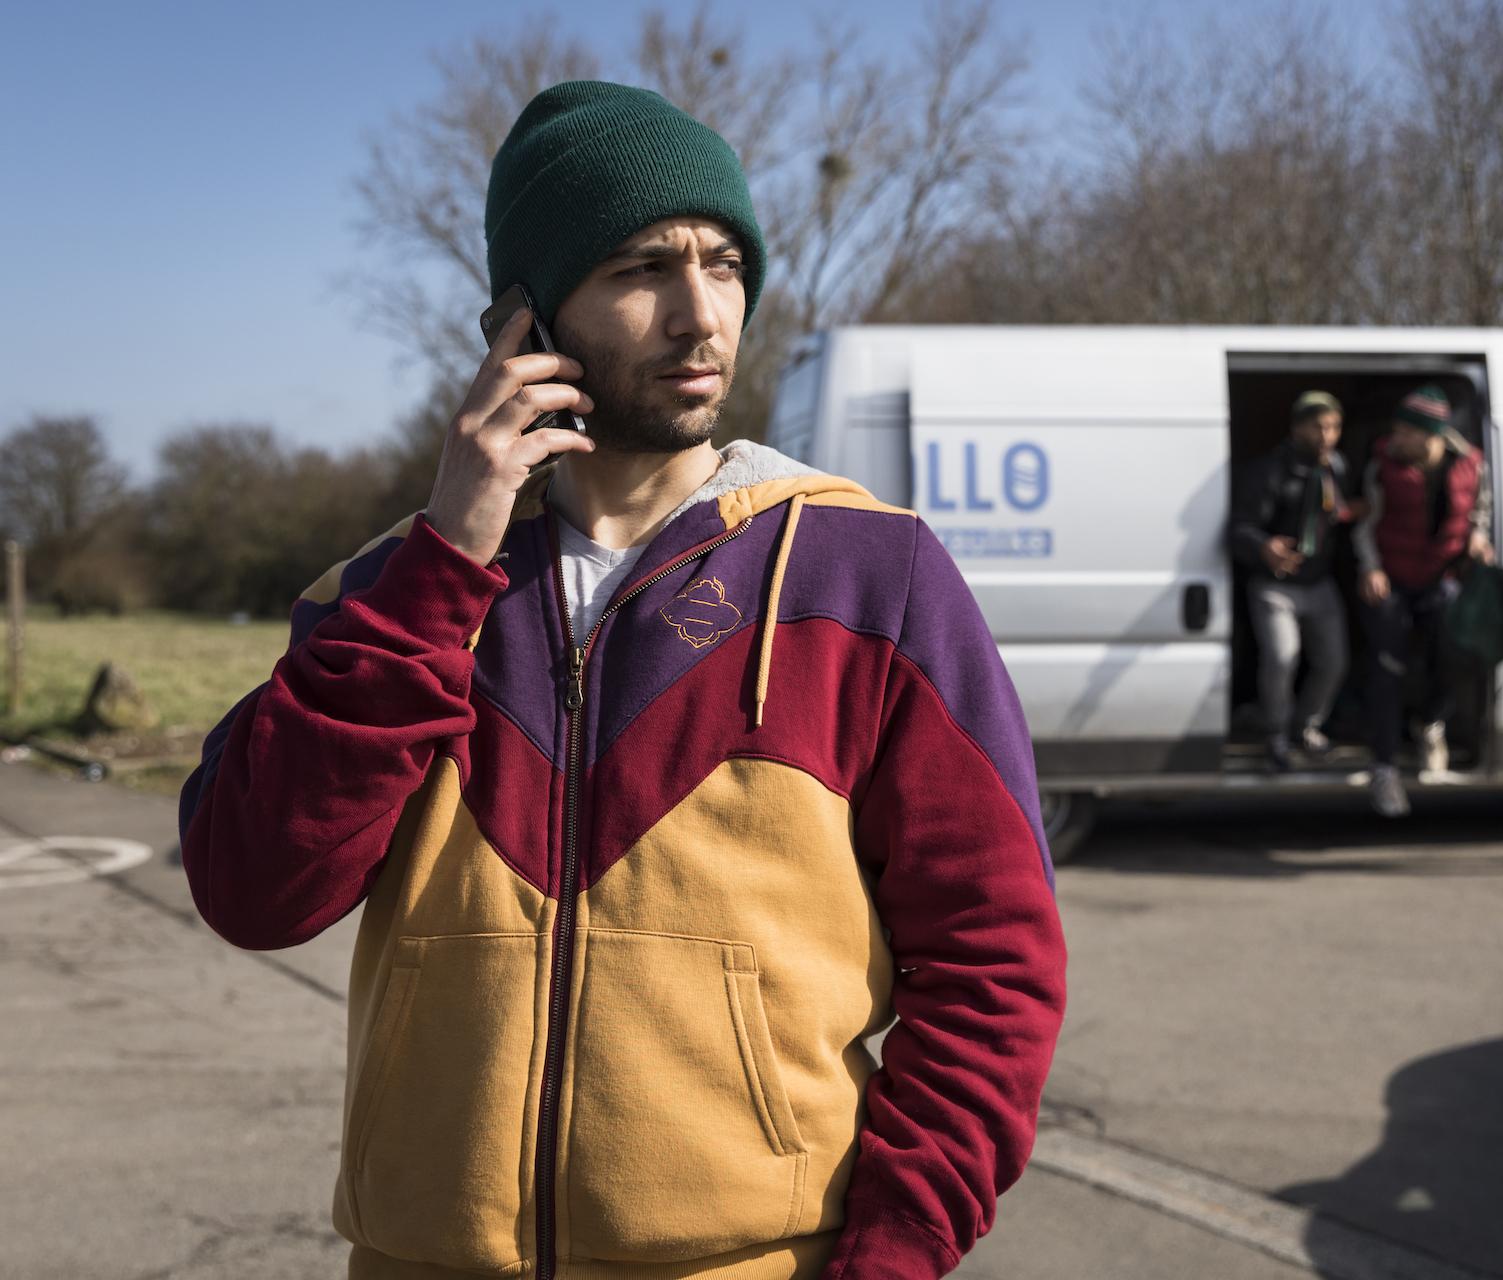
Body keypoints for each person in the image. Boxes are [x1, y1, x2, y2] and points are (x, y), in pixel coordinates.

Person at [178, 81, 1067, 1280]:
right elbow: (254, 887)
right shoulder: (387, 596)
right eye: (644, 266)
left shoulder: (871, 574)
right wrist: (446, 562)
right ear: (528, 321)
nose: (702, 317)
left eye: (725, 264)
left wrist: (894, 1254)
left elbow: (994, 962)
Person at [1351, 383, 1492, 817]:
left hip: (1441, 577)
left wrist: (1480, 536)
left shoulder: (1471, 466)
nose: (1397, 438)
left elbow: (1480, 509)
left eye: (1406, 432)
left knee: (1461, 655)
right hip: (1392, 578)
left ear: (1432, 435)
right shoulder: (1382, 466)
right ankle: (1384, 769)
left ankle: (1430, 721)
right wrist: (1370, 566)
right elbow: (1364, 524)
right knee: (1387, 668)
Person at [1229, 390, 1352, 768]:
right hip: (1275, 584)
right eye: (1318, 427)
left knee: (1333, 660)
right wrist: (1264, 546)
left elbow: (1337, 513)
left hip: (1319, 581)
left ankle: (1307, 726)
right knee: (1282, 657)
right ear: (1298, 428)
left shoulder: (1336, 468)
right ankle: (1275, 733)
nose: (1327, 435)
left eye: (1333, 427)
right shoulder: (1268, 470)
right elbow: (1238, 528)